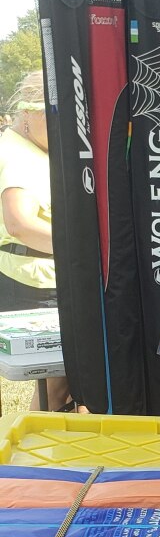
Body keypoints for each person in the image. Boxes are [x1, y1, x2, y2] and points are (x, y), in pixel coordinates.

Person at [0, 70, 70, 410]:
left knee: (64, 385)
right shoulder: (18, 156)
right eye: (53, 116)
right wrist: (81, 251)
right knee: (55, 387)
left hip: (36, 277)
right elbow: (20, 224)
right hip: (35, 282)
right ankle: (38, 458)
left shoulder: (24, 146)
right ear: (28, 112)